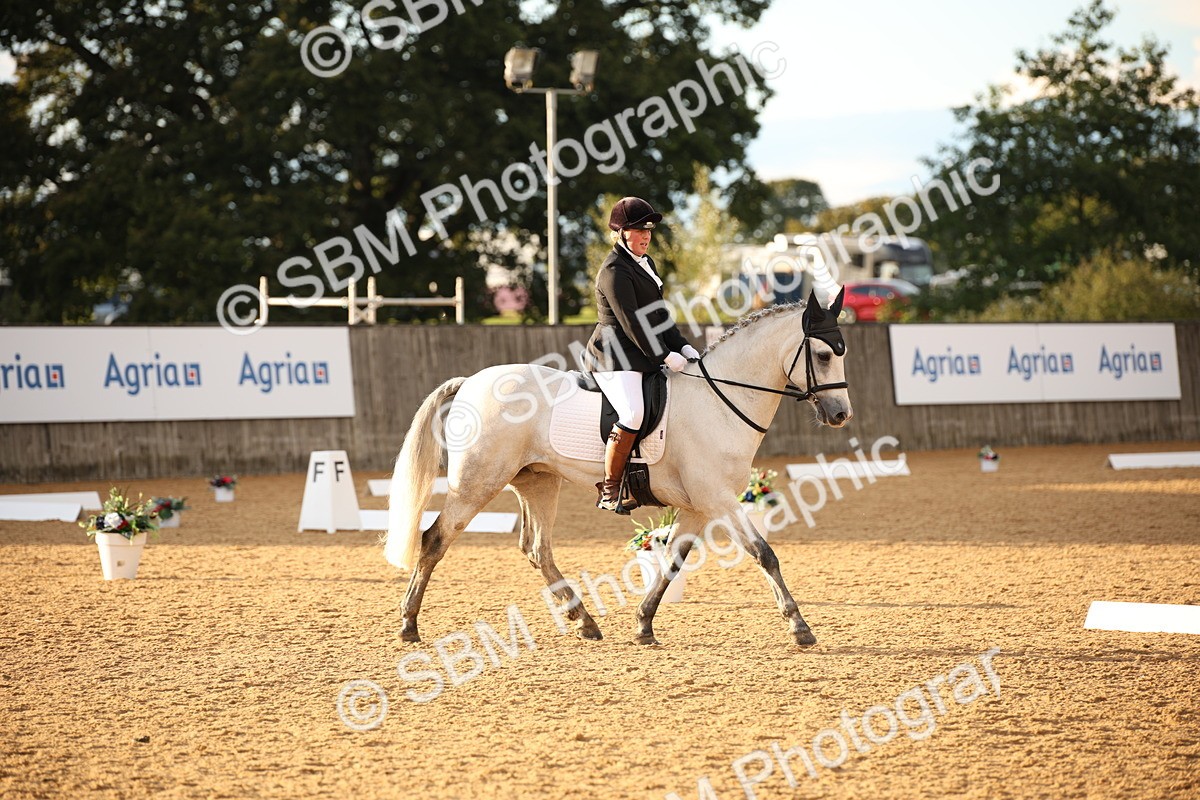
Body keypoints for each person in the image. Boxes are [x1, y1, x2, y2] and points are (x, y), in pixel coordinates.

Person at [583, 196, 700, 512]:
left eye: (648, 230)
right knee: (632, 413)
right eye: (638, 230)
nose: (646, 236)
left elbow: (658, 317)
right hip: (614, 355)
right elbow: (633, 322)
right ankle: (609, 488)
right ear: (621, 233)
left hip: (642, 353)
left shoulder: (646, 265)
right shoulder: (614, 271)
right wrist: (664, 356)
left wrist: (682, 345)